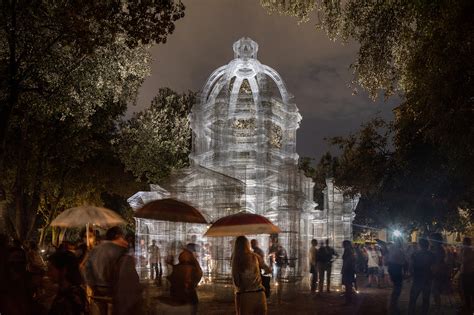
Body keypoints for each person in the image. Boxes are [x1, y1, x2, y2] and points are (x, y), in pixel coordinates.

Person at [85, 226, 142, 315]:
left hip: (97, 292)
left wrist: (93, 286)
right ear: (117, 236)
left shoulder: (94, 250)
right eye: (122, 237)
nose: (124, 240)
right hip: (114, 291)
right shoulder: (119, 250)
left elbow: (87, 271)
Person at [232, 236, 267, 315]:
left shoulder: (237, 260)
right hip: (260, 295)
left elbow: (237, 282)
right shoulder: (255, 256)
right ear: (248, 244)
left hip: (246, 297)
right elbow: (267, 269)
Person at [47, 250, 89, 315]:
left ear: (64, 270)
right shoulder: (74, 291)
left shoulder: (68, 299)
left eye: (50, 269)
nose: (48, 273)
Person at [167, 248, 203, 314]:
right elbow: (199, 274)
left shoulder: (178, 268)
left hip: (180, 296)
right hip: (187, 295)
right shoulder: (192, 268)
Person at [408, 238, 435, 315]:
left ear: (420, 245)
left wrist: (411, 274)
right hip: (428, 279)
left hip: (417, 278)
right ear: (427, 245)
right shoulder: (431, 254)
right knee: (426, 299)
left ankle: (411, 312)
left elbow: (410, 266)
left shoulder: (415, 254)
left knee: (413, 298)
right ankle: (424, 313)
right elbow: (434, 268)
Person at [387, 238, 406, 315]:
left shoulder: (392, 249)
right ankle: (393, 306)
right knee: (397, 289)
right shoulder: (399, 250)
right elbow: (401, 261)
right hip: (396, 269)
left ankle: (393, 305)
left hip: (393, 269)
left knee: (396, 288)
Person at [430, 233, 448, 307]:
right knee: (435, 288)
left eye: (432, 239)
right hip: (438, 269)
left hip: (438, 270)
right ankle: (437, 303)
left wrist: (434, 271)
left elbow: (438, 261)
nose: (431, 240)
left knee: (435, 288)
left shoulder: (439, 249)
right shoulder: (437, 248)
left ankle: (438, 304)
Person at [460, 237, 473, 314]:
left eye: (463, 242)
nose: (462, 243)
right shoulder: (468, 250)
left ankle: (468, 308)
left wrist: (462, 253)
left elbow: (463, 261)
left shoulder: (468, 251)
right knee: (465, 290)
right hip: (466, 272)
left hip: (467, 273)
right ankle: (466, 306)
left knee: (466, 291)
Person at [341, 240, 356, 305]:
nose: (342, 245)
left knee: (348, 285)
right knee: (348, 285)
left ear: (346, 244)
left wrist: (344, 270)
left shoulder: (347, 250)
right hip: (350, 269)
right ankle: (349, 300)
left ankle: (348, 301)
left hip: (347, 270)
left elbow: (347, 261)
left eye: (343, 244)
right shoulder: (351, 250)